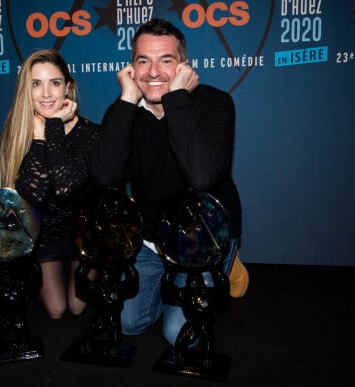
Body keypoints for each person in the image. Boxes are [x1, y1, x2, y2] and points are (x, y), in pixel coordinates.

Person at [90, 18, 249, 346]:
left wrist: (177, 99)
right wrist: (126, 101)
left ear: (184, 66)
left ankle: (223, 267)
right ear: (131, 67)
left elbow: (201, 176)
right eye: (143, 60)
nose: (153, 72)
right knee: (127, 323)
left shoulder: (215, 103)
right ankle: (171, 279)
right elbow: (105, 177)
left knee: (179, 335)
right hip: (151, 239)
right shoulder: (124, 111)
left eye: (166, 60)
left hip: (205, 237)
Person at [0, 49, 100, 319]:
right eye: (36, 84)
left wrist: (52, 126)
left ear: (68, 87)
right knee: (57, 311)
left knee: (78, 307)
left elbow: (65, 186)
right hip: (47, 235)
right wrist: (38, 137)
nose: (45, 93)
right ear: (26, 90)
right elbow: (35, 194)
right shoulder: (20, 132)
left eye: (54, 83)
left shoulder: (91, 134)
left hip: (84, 233)